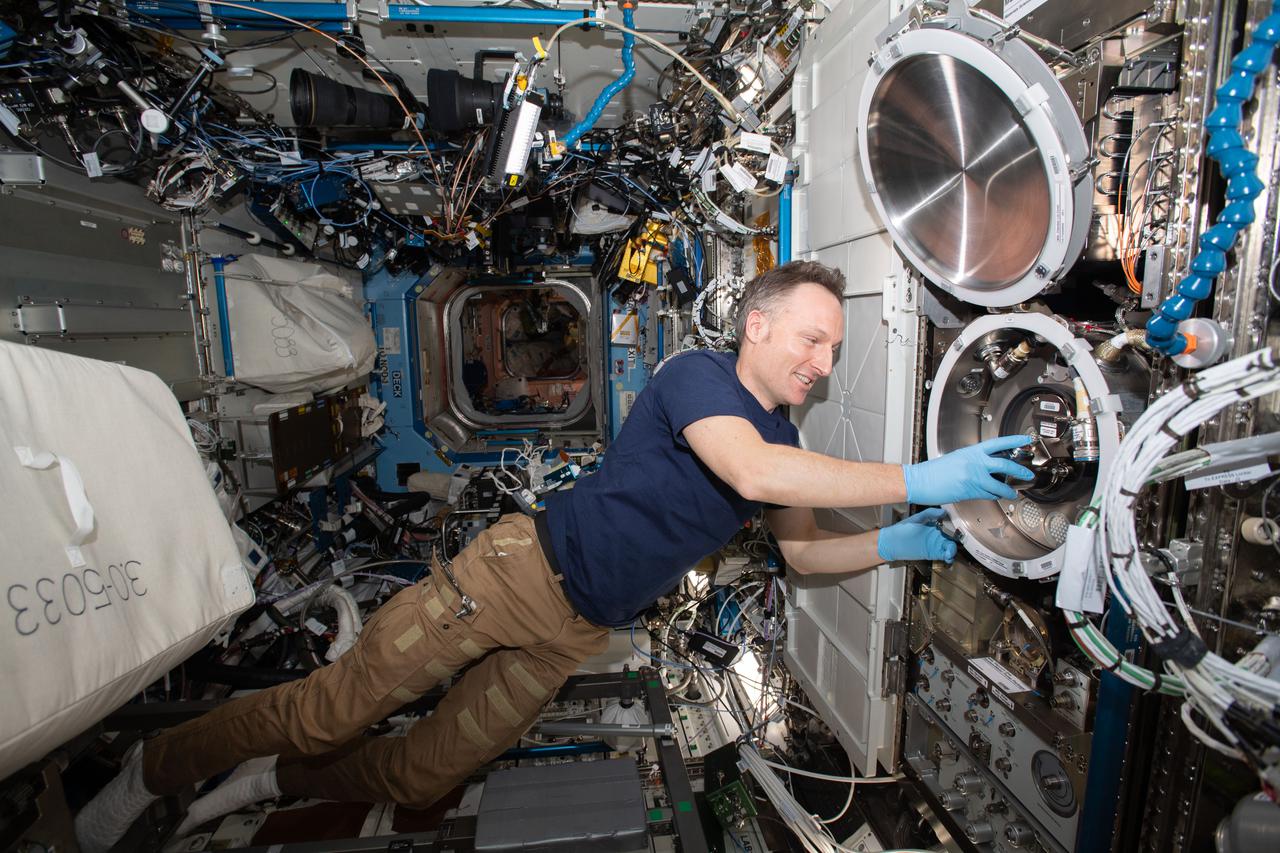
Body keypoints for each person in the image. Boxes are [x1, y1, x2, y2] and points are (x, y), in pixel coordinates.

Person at [75, 260, 1031, 851]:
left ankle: (274, 779)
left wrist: (889, 545)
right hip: (511, 578)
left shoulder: (783, 436)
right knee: (331, 706)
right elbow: (752, 467)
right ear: (760, 323)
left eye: (834, 349)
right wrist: (920, 476)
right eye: (814, 338)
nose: (822, 361)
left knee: (420, 774)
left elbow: (809, 559)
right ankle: (154, 768)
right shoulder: (701, 378)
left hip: (573, 632)